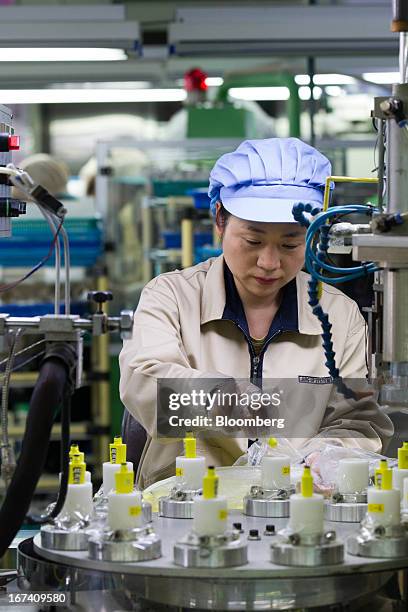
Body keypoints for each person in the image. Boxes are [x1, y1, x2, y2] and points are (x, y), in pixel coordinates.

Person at [119, 138, 393, 488]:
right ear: (220, 219)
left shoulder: (338, 315)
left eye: (290, 244)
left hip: (295, 507)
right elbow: (143, 386)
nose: (269, 263)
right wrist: (224, 397)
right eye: (252, 241)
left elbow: (356, 421)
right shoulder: (171, 297)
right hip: (186, 507)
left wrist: (328, 455)